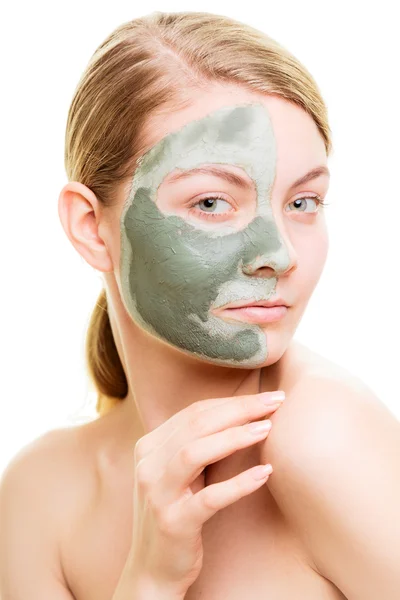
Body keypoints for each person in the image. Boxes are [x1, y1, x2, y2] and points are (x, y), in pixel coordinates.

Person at [1, 10, 399, 600]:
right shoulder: (39, 494)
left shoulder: (322, 437)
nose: (279, 254)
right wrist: (148, 582)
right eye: (212, 202)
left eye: (304, 201)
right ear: (91, 227)